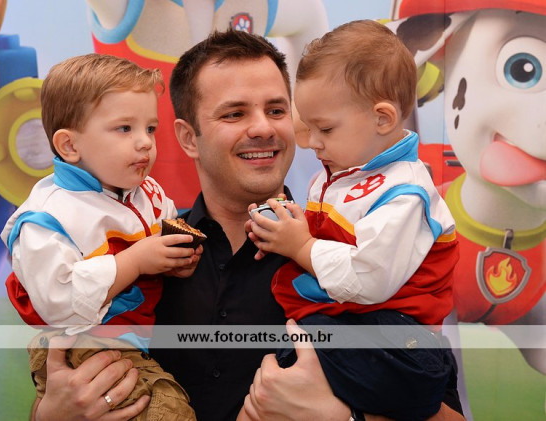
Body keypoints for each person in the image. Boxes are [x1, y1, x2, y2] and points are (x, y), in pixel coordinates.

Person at [30, 30, 465, 421]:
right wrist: (51, 415)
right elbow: (55, 379)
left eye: (276, 110)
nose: (263, 128)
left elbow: (436, 399)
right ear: (188, 137)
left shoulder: (354, 247)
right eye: (234, 114)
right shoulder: (138, 252)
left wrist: (341, 417)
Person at [245, 20, 460, 421]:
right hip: (353, 329)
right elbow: (325, 244)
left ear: (383, 119)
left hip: (400, 346)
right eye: (308, 127)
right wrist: (280, 232)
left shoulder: (405, 194)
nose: (312, 142)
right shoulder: (340, 174)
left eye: (324, 128)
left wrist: (301, 246)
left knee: (285, 370)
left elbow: (368, 278)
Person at [0, 53, 201, 421]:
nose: (145, 142)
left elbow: (166, 238)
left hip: (131, 343)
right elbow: (59, 303)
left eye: (150, 128)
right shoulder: (46, 219)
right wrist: (135, 261)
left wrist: (176, 260)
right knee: (169, 412)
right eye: (124, 129)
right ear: (69, 146)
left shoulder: (148, 193)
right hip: (78, 345)